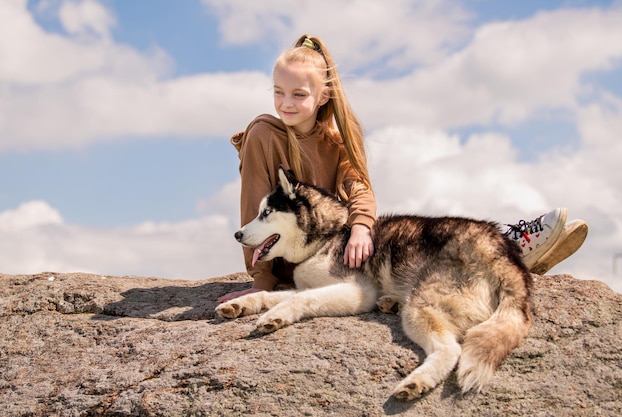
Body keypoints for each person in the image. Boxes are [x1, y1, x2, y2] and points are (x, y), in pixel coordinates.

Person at [218, 34, 587, 303]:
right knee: (408, 250)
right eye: (278, 91)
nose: (286, 102)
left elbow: (359, 186)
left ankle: (506, 243)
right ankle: (510, 250)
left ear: (323, 96)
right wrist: (261, 282)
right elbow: (255, 208)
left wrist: (362, 226)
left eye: (298, 94)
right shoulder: (264, 134)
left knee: (409, 236)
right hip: (300, 258)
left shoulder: (337, 139)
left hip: (344, 243)